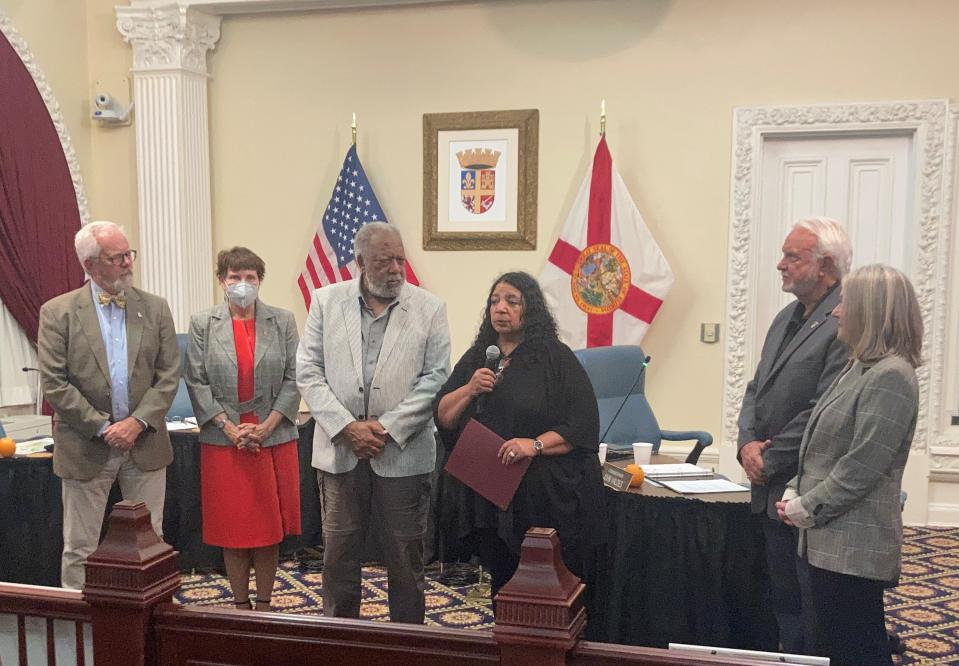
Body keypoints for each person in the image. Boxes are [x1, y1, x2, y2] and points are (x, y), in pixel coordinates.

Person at [296, 221, 450, 624]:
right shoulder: (326, 302)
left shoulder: (430, 308)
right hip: (339, 451)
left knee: (405, 556)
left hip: (402, 452)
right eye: (385, 260)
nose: (396, 268)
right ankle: (342, 638)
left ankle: (407, 643)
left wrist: (385, 428)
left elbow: (435, 378)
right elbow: (309, 371)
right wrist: (348, 427)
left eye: (400, 259)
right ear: (361, 262)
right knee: (339, 554)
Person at [777, 264, 921, 666]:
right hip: (827, 541)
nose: (836, 312)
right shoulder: (858, 366)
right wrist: (795, 488)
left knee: (858, 649)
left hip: (854, 546)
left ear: (872, 311)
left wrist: (806, 506)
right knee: (834, 645)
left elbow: (861, 466)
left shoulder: (892, 376)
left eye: (845, 304)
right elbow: (821, 444)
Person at [434, 271, 606, 604]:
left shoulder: (555, 358)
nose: (501, 308)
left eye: (513, 302)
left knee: (544, 587)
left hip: (544, 494)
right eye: (495, 301)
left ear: (531, 310)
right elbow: (443, 415)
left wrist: (535, 444)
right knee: (503, 580)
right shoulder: (479, 357)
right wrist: (469, 389)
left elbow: (583, 425)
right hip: (491, 492)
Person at [38, 221, 179, 589]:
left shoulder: (155, 307)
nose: (128, 264)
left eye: (128, 255)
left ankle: (150, 620)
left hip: (145, 444)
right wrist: (103, 427)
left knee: (152, 542)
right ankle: (80, 635)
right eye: (117, 258)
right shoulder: (58, 312)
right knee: (80, 547)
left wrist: (137, 423)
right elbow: (55, 384)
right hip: (86, 446)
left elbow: (168, 376)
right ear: (89, 265)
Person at [736, 216, 851, 652]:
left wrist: (770, 459)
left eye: (792, 256)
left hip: (808, 487)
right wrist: (747, 443)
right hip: (768, 485)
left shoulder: (845, 320)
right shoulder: (787, 315)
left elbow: (824, 408)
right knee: (782, 600)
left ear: (825, 266)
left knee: (811, 606)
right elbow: (756, 387)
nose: (780, 265)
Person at [185, 247, 301, 611]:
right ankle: (239, 604)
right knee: (233, 529)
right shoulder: (204, 323)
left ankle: (265, 604)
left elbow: (295, 378)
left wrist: (267, 425)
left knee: (268, 528)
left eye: (250, 277)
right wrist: (229, 427)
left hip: (274, 436)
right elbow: (196, 380)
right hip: (224, 440)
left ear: (260, 281)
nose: (242, 284)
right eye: (235, 277)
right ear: (222, 280)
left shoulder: (282, 321)